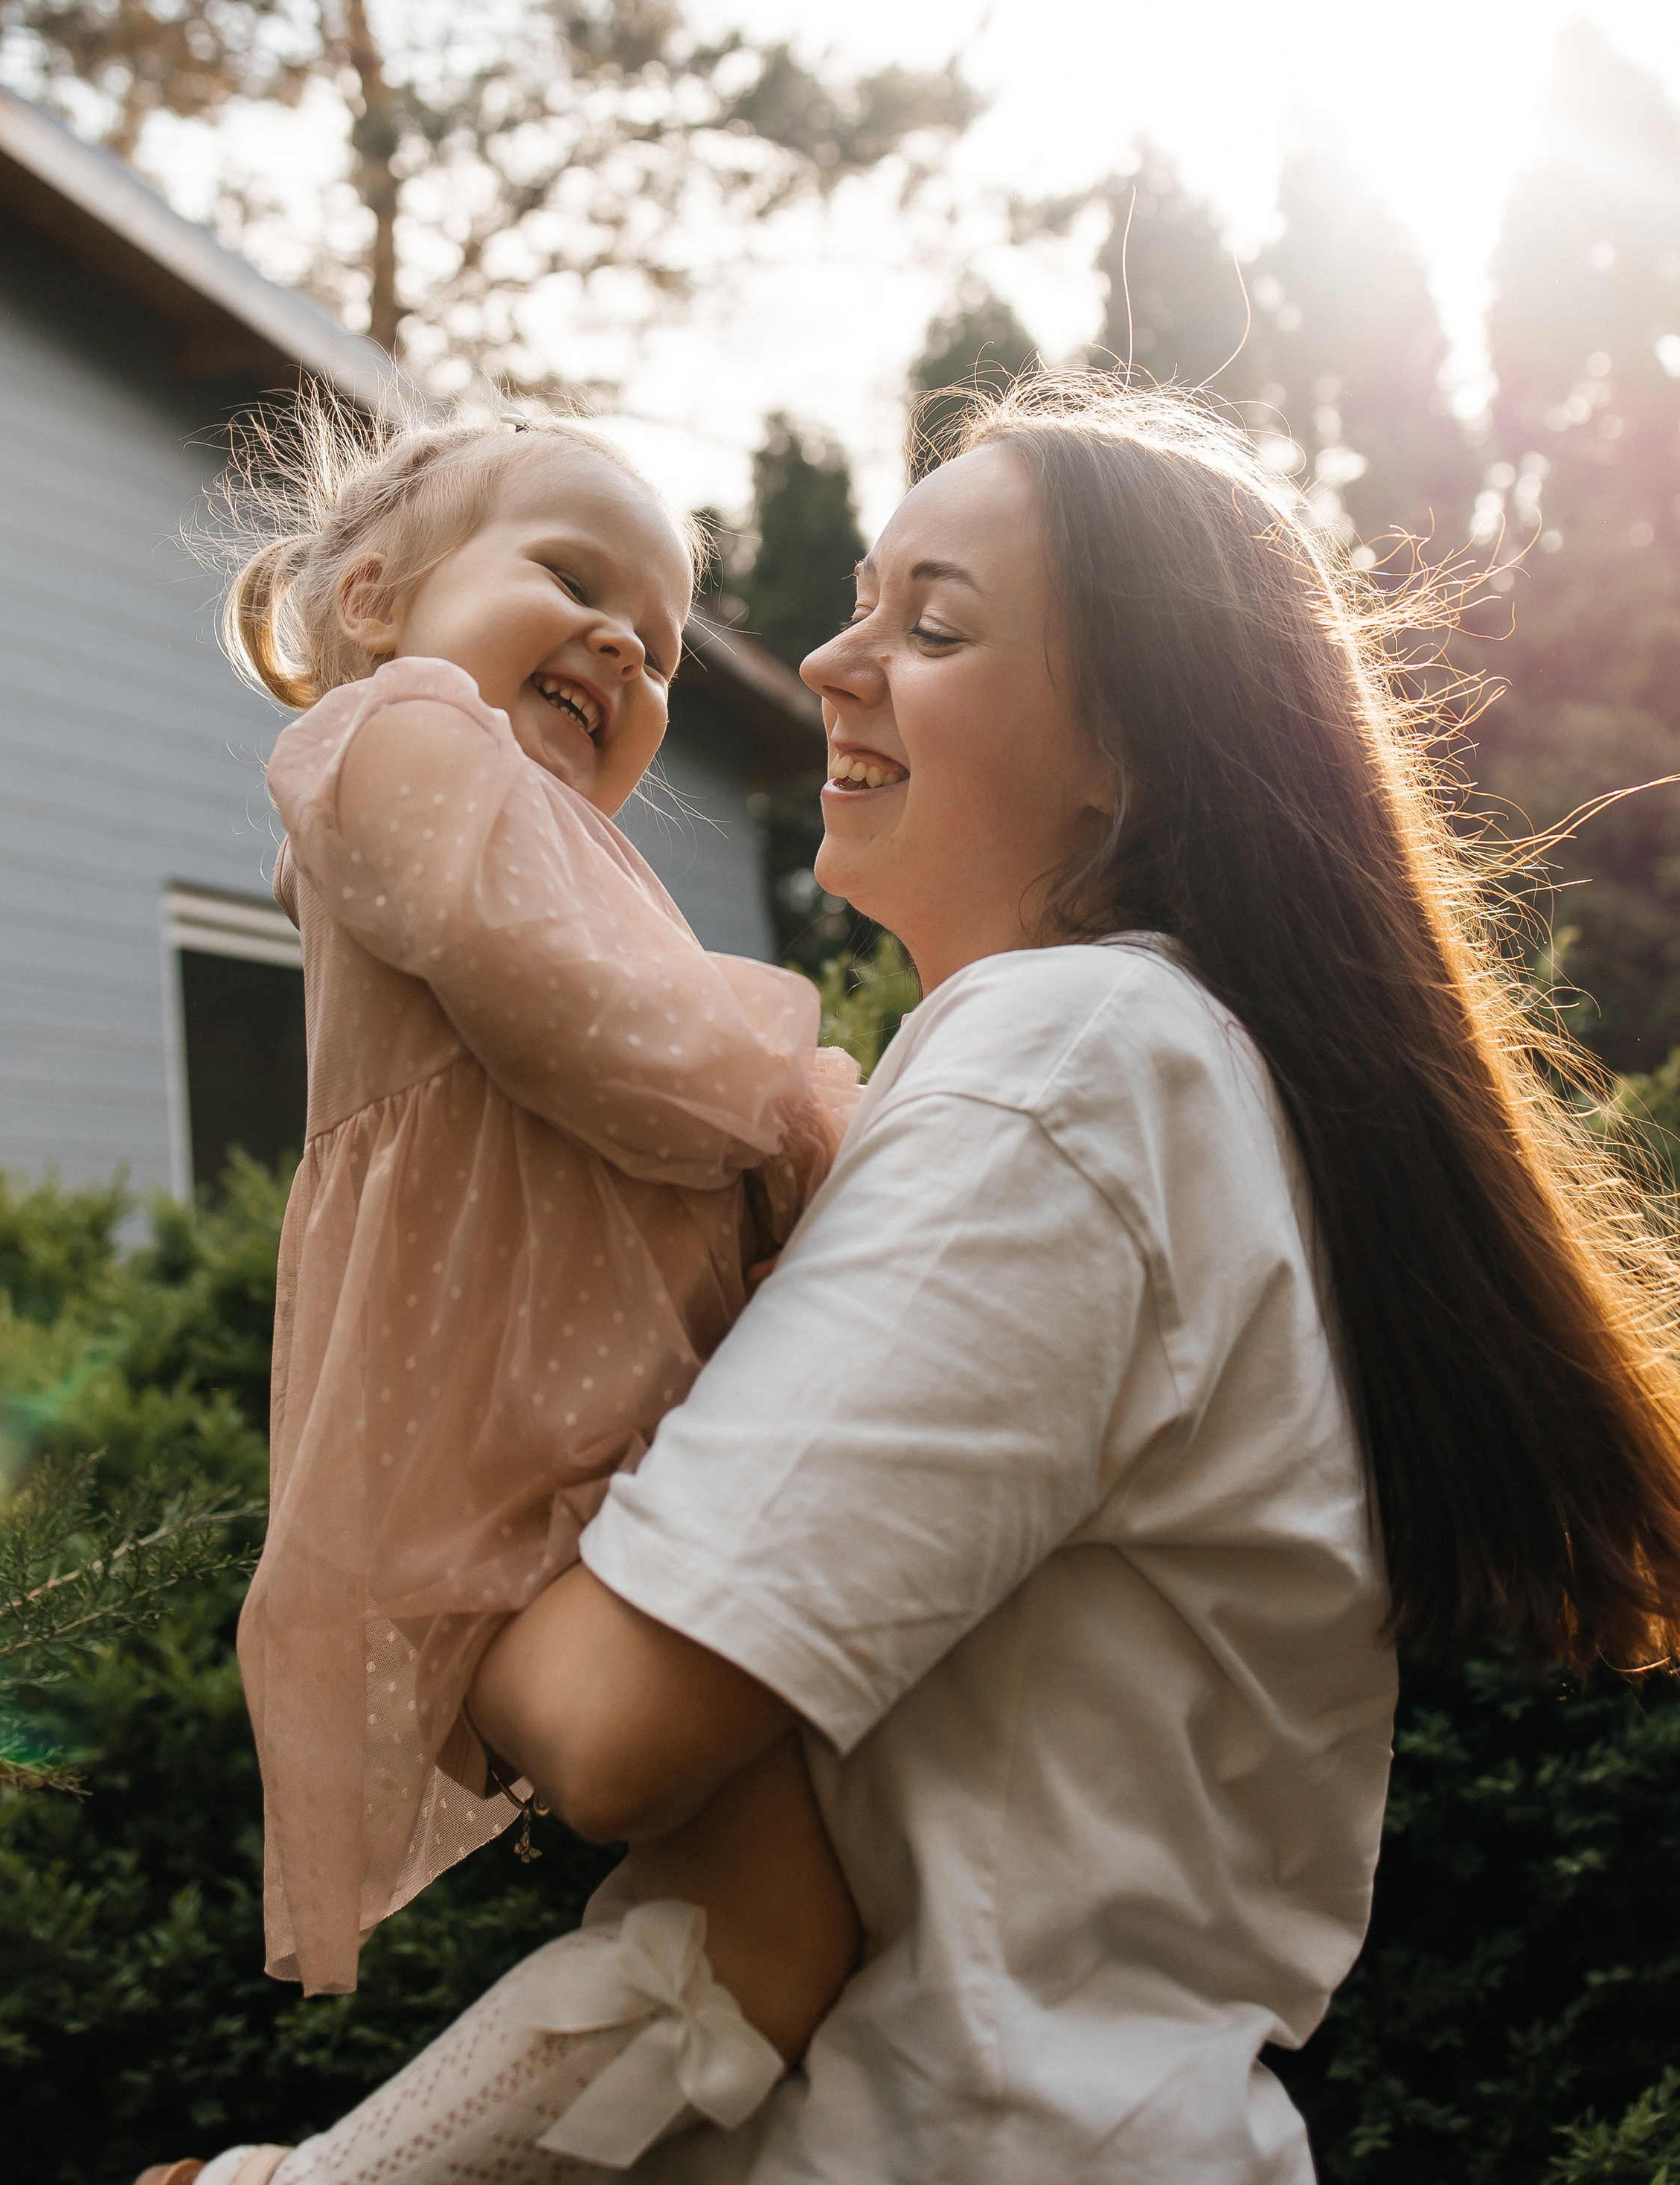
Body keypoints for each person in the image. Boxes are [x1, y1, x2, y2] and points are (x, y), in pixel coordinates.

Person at [461, 377, 1680, 2181]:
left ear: (1133, 752)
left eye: (932, 625)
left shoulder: (1073, 1058)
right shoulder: (1157, 1070)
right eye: (862, 599)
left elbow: (611, 1724)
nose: (828, 661)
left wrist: (393, 1553)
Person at [169, 407, 862, 2185]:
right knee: (765, 1936)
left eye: (659, 630)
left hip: (609, 1443)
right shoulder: (394, 738)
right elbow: (594, 1036)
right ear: (380, 600)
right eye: (570, 576)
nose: (628, 641)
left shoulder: (555, 834)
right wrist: (810, 1107)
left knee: (769, 1944)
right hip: (523, 1463)